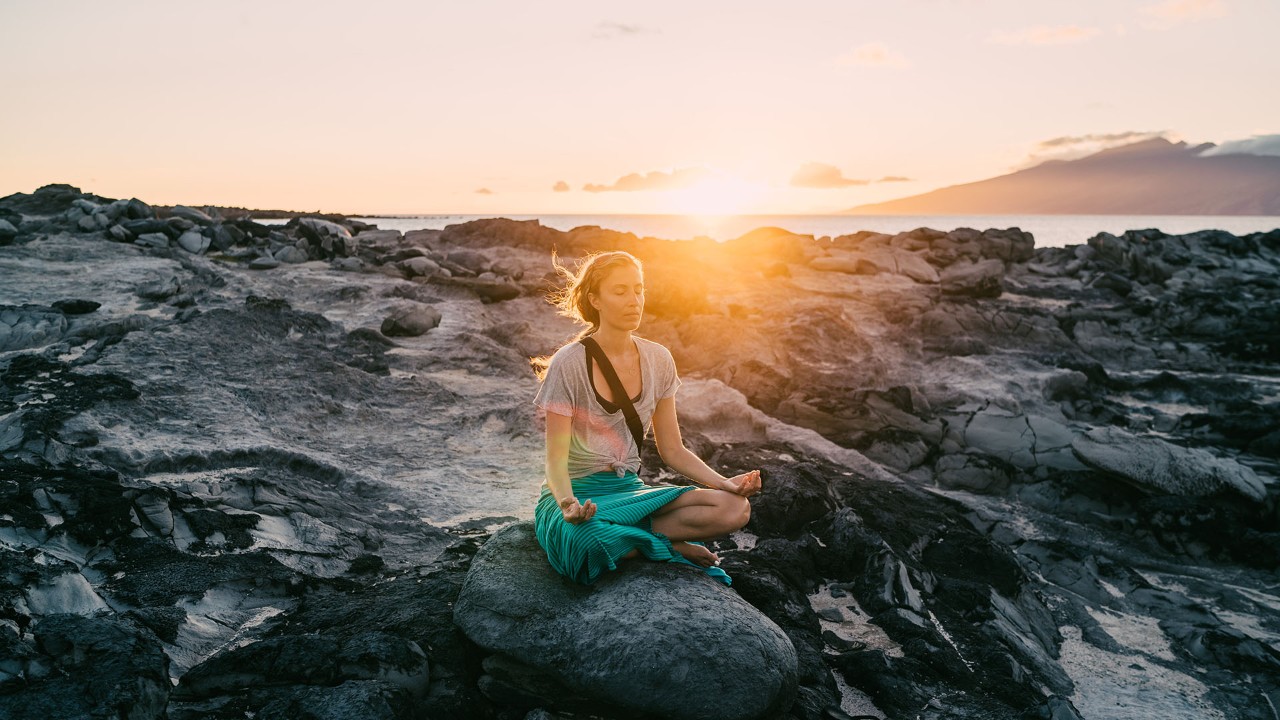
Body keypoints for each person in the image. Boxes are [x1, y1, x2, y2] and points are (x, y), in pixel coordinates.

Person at [530, 249, 762, 586]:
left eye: (638, 289)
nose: (634, 300)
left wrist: (726, 484)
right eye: (620, 291)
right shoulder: (569, 363)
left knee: (735, 508)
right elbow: (554, 460)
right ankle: (671, 546)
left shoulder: (659, 359)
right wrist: (567, 504)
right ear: (595, 299)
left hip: (629, 492)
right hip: (578, 497)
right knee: (587, 541)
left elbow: (673, 449)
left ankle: (638, 543)